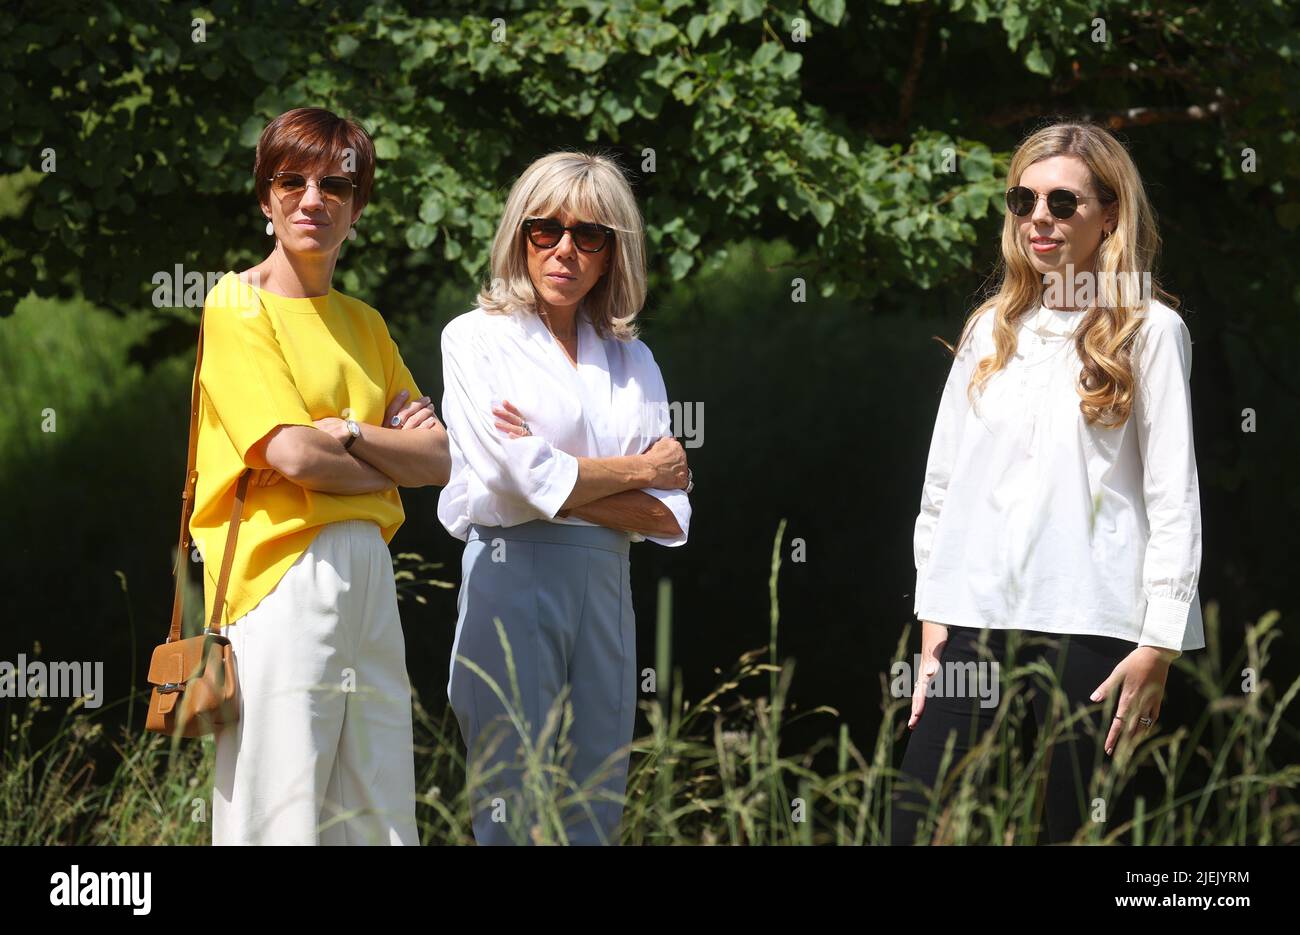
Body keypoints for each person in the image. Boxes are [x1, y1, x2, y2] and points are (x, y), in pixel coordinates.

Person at [893, 120, 1203, 844]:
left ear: (1110, 214)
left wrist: (1159, 642)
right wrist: (933, 612)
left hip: (1091, 624)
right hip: (973, 619)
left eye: (1063, 203)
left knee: (1076, 830)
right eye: (1022, 199)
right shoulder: (990, 329)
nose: (1038, 218)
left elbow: (1172, 496)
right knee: (910, 821)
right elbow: (943, 485)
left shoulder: (1150, 331)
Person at [190, 107, 450, 845]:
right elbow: (292, 455)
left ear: (357, 206)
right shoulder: (237, 305)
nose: (314, 199)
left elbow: (438, 459)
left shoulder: (365, 322)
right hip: (280, 573)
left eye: (336, 184)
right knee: (280, 805)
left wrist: (346, 432)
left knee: (377, 808)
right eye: (292, 180)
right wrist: (381, 466)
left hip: (368, 568)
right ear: (266, 199)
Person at [438, 152, 692, 845]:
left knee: (595, 798)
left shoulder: (631, 357)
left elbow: (668, 512)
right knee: (507, 801)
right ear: (519, 234)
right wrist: (636, 466)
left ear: (613, 253)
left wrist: (553, 477)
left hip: (607, 582)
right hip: (510, 572)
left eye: (590, 236)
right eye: (545, 229)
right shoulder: (475, 338)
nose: (564, 249)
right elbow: (509, 478)